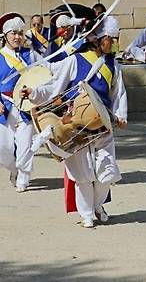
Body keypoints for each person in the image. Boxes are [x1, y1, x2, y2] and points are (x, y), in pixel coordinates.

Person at [23, 16, 128, 228]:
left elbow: (119, 94)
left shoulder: (113, 67)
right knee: (83, 174)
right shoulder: (74, 60)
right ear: (98, 39)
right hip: (75, 126)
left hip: (103, 127)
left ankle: (97, 205)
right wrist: (34, 92)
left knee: (107, 173)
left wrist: (120, 115)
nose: (115, 43)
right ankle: (87, 213)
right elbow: (54, 87)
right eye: (111, 38)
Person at [0, 13, 42, 192]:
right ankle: (14, 169)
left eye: (20, 33)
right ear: (6, 36)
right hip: (5, 105)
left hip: (25, 105)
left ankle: (23, 178)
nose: (17, 37)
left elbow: (46, 69)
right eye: (13, 33)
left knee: (25, 146)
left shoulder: (30, 54)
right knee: (4, 148)